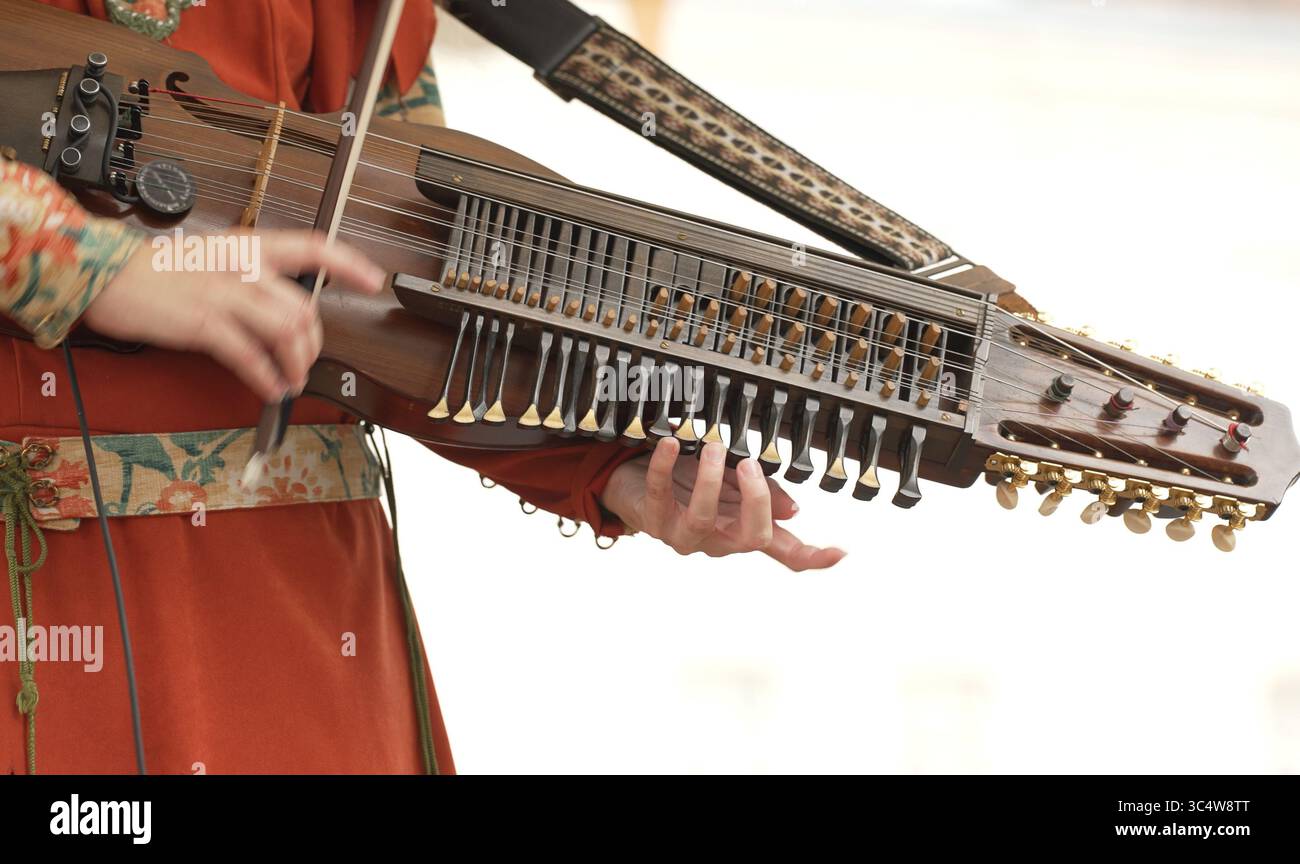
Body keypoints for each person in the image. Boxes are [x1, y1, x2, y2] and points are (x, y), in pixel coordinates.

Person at [0, 0, 843, 775]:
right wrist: (96, 264)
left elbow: (398, 288)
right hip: (40, 599)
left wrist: (607, 469)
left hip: (295, 608)